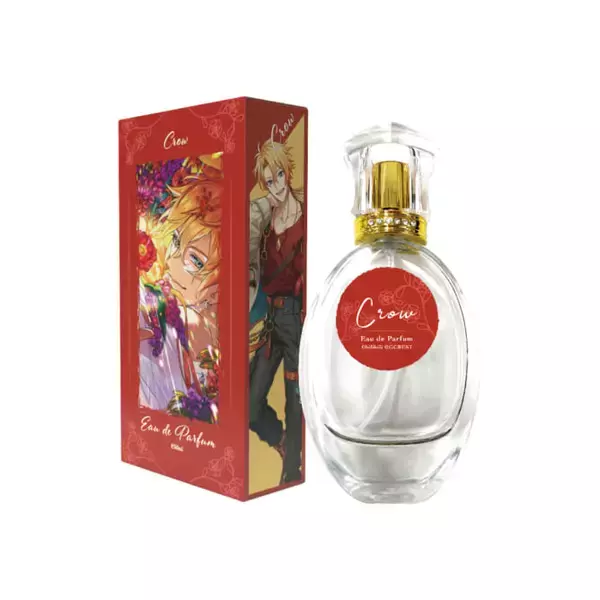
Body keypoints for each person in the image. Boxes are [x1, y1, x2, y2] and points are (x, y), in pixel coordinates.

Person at [138, 161, 222, 423]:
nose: (172, 260)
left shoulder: (223, 330)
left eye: (194, 260)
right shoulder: (158, 307)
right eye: (175, 240)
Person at [249, 139, 305, 483]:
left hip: (297, 320)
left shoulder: (307, 218)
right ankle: (281, 440)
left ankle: (291, 472)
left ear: (288, 172)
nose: (277, 185)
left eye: (280, 175)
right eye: (269, 181)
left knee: (295, 402)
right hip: (271, 320)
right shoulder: (266, 220)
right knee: (249, 403)